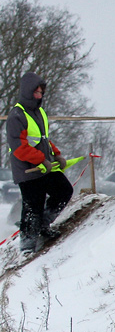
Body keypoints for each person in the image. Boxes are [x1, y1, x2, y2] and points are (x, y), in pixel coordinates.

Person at [6, 72, 75, 253]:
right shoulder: (16, 116)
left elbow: (43, 139)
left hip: (45, 166)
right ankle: (27, 247)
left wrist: (56, 155)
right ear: (27, 92)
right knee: (33, 207)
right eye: (36, 92)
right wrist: (41, 159)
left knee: (64, 191)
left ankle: (43, 224)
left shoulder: (40, 113)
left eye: (41, 92)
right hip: (27, 170)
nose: (39, 96)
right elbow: (19, 147)